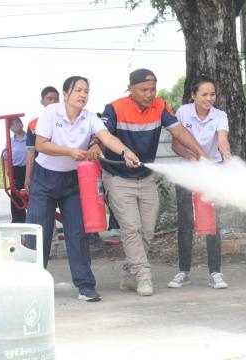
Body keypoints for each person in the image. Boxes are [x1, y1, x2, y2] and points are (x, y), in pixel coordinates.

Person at [93, 68, 207, 297]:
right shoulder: (114, 108)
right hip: (117, 177)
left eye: (152, 89)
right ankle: (144, 276)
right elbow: (102, 134)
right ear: (130, 89)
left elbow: (178, 131)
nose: (149, 94)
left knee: (147, 230)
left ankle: (129, 270)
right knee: (131, 228)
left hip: (146, 177)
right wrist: (99, 145)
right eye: (143, 90)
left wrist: (200, 152)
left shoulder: (160, 106)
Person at [25, 75, 140, 302]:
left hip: (72, 181)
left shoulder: (89, 118)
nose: (83, 95)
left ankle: (85, 285)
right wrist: (69, 152)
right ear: (66, 93)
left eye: (86, 91)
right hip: (44, 179)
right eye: (78, 90)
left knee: (77, 232)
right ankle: (33, 285)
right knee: (40, 232)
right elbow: (40, 145)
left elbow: (106, 137)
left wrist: (126, 152)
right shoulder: (51, 113)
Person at [166, 74, 231, 289]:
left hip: (212, 172)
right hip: (187, 171)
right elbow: (176, 145)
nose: (209, 98)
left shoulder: (220, 115)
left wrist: (229, 161)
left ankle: (215, 273)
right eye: (204, 94)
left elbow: (222, 140)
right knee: (185, 223)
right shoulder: (183, 112)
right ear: (193, 95)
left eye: (212, 94)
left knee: (212, 223)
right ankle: (183, 271)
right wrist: (193, 159)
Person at [24, 86, 60, 192]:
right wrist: (28, 177)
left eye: (56, 99)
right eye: (49, 99)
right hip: (41, 172)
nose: (53, 102)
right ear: (42, 101)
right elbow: (31, 151)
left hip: (66, 172)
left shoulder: (69, 120)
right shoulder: (33, 124)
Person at [3, 117, 27, 223]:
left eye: (17, 122)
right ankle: (19, 223)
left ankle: (35, 222)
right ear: (10, 128)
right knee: (17, 198)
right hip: (16, 171)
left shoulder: (30, 137)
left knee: (32, 197)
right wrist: (9, 171)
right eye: (12, 124)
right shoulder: (10, 141)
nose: (16, 125)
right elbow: (5, 157)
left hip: (30, 170)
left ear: (22, 123)